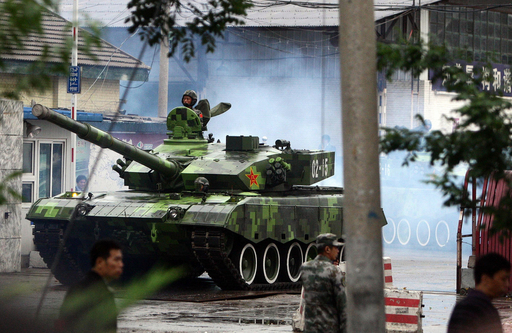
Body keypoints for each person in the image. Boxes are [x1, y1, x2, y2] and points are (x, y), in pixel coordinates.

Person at [57, 239, 124, 333]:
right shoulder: (104, 294)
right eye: (116, 260)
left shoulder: (76, 288)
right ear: (100, 262)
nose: (120, 265)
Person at [447, 252, 511, 333]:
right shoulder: (484, 310)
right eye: (503, 279)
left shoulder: (463, 306)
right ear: (485, 279)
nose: (507, 284)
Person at [299, 233, 346, 333]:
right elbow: (343, 306)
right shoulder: (334, 271)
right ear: (327, 249)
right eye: (336, 247)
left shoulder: (305, 268)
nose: (338, 250)